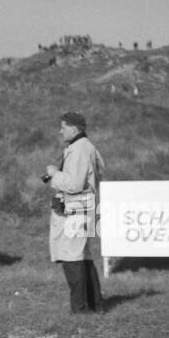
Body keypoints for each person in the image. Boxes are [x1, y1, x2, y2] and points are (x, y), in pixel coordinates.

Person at [43, 110, 105, 314]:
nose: (60, 131)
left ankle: (80, 309)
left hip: (76, 208)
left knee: (71, 256)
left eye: (63, 127)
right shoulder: (87, 147)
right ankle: (96, 304)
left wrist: (55, 174)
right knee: (83, 256)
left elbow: (74, 184)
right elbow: (100, 171)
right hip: (85, 206)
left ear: (74, 128)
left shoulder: (78, 150)